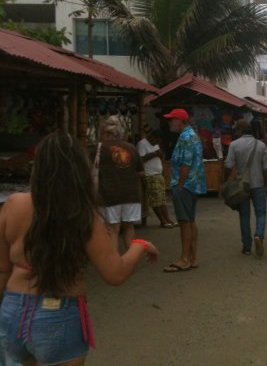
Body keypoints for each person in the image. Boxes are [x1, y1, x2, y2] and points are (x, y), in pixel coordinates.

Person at [0, 132, 159, 365]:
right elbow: (115, 274)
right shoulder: (83, 214)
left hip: (12, 310)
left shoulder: (13, 205)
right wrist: (139, 245)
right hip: (58, 313)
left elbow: (2, 269)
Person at [163, 108, 206, 272]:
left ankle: (185, 258)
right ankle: (192, 257)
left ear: (180, 121)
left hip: (185, 185)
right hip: (192, 184)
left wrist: (179, 185)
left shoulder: (186, 138)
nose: (170, 122)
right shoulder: (191, 135)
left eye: (172, 119)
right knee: (190, 220)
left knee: (184, 222)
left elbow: (186, 164)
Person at [95, 116, 146, 250]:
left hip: (109, 194)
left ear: (106, 132)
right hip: (131, 194)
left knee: (113, 229)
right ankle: (131, 258)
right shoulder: (131, 148)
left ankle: (114, 262)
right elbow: (141, 172)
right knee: (129, 227)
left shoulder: (99, 148)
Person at [225, 119, 267, 257]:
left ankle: (246, 246)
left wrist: (227, 181)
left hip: (241, 187)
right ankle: (259, 236)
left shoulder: (234, 145)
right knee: (261, 213)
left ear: (239, 130)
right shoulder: (261, 145)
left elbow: (228, 165)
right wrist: (266, 185)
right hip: (258, 185)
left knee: (244, 215)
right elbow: (266, 169)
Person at [137, 128, 177, 228]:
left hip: (158, 174)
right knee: (155, 200)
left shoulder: (155, 145)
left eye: (158, 142)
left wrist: (160, 155)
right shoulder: (142, 144)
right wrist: (155, 154)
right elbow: (140, 159)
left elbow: (160, 156)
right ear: (152, 137)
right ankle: (162, 220)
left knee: (162, 199)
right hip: (150, 175)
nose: (156, 143)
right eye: (156, 140)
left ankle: (168, 219)